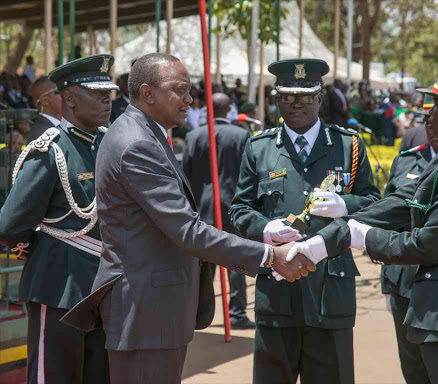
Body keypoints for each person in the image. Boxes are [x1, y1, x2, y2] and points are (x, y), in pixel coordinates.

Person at [60, 53, 314, 384]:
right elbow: (187, 230)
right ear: (148, 93)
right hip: (147, 313)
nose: (190, 99)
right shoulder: (137, 144)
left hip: (153, 311)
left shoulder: (143, 133)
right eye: (180, 90)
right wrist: (268, 256)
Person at [288, 64, 438, 384]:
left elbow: (428, 244)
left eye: (437, 104)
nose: (428, 113)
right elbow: (406, 204)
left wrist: (364, 236)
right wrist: (328, 238)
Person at [229, 58, 381, 384]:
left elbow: (375, 204)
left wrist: (345, 204)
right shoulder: (259, 147)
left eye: (305, 97)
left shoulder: (347, 145)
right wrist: (265, 228)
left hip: (331, 288)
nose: (296, 104)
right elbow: (240, 209)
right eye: (287, 97)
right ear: (276, 99)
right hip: (276, 288)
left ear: (320, 98)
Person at [0, 54, 119, 384]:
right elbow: (10, 224)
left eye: (107, 92)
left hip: (103, 284)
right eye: (96, 93)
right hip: (58, 285)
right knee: (55, 376)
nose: (106, 99)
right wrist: (35, 248)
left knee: (100, 375)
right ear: (68, 98)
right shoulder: (50, 150)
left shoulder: (108, 143)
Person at [183, 92, 255, 329]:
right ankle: (236, 312)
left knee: (206, 261)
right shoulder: (241, 135)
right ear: (230, 109)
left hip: (203, 207)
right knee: (234, 259)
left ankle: (199, 311)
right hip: (233, 205)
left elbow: (186, 175)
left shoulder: (194, 136)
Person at [26, 76, 63, 143]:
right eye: (60, 90)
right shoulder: (40, 134)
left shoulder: (56, 127)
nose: (67, 94)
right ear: (45, 101)